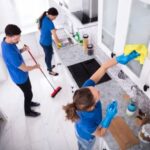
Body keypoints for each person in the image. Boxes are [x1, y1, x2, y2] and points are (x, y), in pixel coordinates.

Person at [63, 51, 140, 150]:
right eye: (97, 94)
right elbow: (100, 133)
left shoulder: (85, 90)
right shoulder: (86, 123)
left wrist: (118, 59)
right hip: (86, 138)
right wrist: (109, 116)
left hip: (84, 128)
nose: (98, 90)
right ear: (91, 106)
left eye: (94, 88)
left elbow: (103, 68)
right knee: (84, 147)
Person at [1, 24, 41, 117]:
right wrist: (35, 66)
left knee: (28, 91)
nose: (18, 40)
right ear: (8, 36)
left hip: (22, 75)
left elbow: (16, 53)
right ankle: (27, 111)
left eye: (19, 37)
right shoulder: (9, 52)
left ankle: (29, 102)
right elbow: (24, 68)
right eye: (16, 38)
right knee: (28, 94)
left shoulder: (6, 41)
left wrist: (23, 49)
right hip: (19, 77)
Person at [39, 7, 61, 76]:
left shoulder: (44, 17)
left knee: (50, 54)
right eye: (54, 17)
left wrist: (51, 30)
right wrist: (59, 45)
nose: (55, 19)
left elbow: (41, 28)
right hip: (46, 43)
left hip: (43, 40)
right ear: (51, 15)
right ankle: (50, 71)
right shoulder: (49, 23)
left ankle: (49, 66)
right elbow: (55, 36)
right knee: (48, 57)